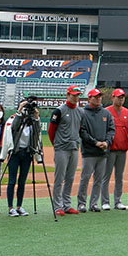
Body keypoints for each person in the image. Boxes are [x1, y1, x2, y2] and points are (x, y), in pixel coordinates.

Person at [48, 86, 84, 215]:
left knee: (70, 177)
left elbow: (80, 130)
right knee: (59, 178)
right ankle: (57, 206)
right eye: (73, 95)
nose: (76, 97)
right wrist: (57, 145)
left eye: (78, 95)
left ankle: (67, 204)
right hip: (62, 148)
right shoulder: (59, 111)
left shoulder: (80, 111)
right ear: (67, 95)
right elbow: (51, 130)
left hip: (74, 147)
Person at [77, 88, 114, 213]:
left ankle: (93, 203)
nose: (98, 99)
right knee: (85, 178)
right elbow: (82, 132)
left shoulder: (106, 113)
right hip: (89, 151)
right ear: (89, 99)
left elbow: (111, 130)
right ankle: (81, 203)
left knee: (98, 179)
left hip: (103, 152)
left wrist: (107, 143)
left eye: (99, 97)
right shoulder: (82, 113)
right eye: (95, 97)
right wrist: (95, 142)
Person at [3, 98, 40, 216]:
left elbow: (37, 131)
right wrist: (19, 111)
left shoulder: (31, 120)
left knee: (22, 181)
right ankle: (10, 207)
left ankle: (19, 206)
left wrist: (36, 117)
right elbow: (14, 127)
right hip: (15, 152)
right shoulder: (14, 118)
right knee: (12, 180)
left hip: (27, 152)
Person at [105, 89, 128, 209]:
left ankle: (118, 201)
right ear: (112, 98)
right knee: (106, 176)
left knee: (119, 177)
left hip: (122, 149)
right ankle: (105, 201)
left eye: (122, 97)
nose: (121, 100)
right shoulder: (106, 112)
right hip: (109, 150)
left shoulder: (127, 113)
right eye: (118, 97)